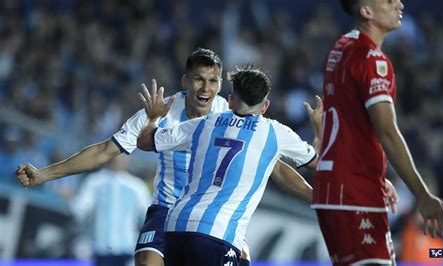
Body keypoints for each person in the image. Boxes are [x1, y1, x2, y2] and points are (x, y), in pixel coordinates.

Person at [15, 48, 312, 266]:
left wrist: (315, 197)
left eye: (212, 80)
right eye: (198, 79)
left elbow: (274, 166)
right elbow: (104, 151)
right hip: (166, 210)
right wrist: (44, 174)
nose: (205, 88)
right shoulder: (161, 112)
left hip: (214, 222)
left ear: (221, 85)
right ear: (185, 81)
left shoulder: (231, 113)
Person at [136, 64, 397, 265]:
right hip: (216, 234)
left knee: (244, 255)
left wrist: (154, 118)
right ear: (266, 106)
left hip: (175, 226)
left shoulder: (203, 124)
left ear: (229, 100)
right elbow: (326, 164)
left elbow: (146, 141)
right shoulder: (272, 132)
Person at [310, 0, 443, 264]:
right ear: (366, 11)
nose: (399, 4)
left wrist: (376, 175)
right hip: (354, 193)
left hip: (335, 190)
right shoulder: (373, 60)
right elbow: (386, 131)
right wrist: (422, 195)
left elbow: (351, 124)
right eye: (388, 0)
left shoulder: (340, 49)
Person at [72, 155, 150, 266]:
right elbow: (80, 210)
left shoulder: (136, 186)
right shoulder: (94, 183)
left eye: (122, 157)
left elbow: (147, 215)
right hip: (100, 246)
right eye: (115, 156)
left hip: (127, 246)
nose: (118, 160)